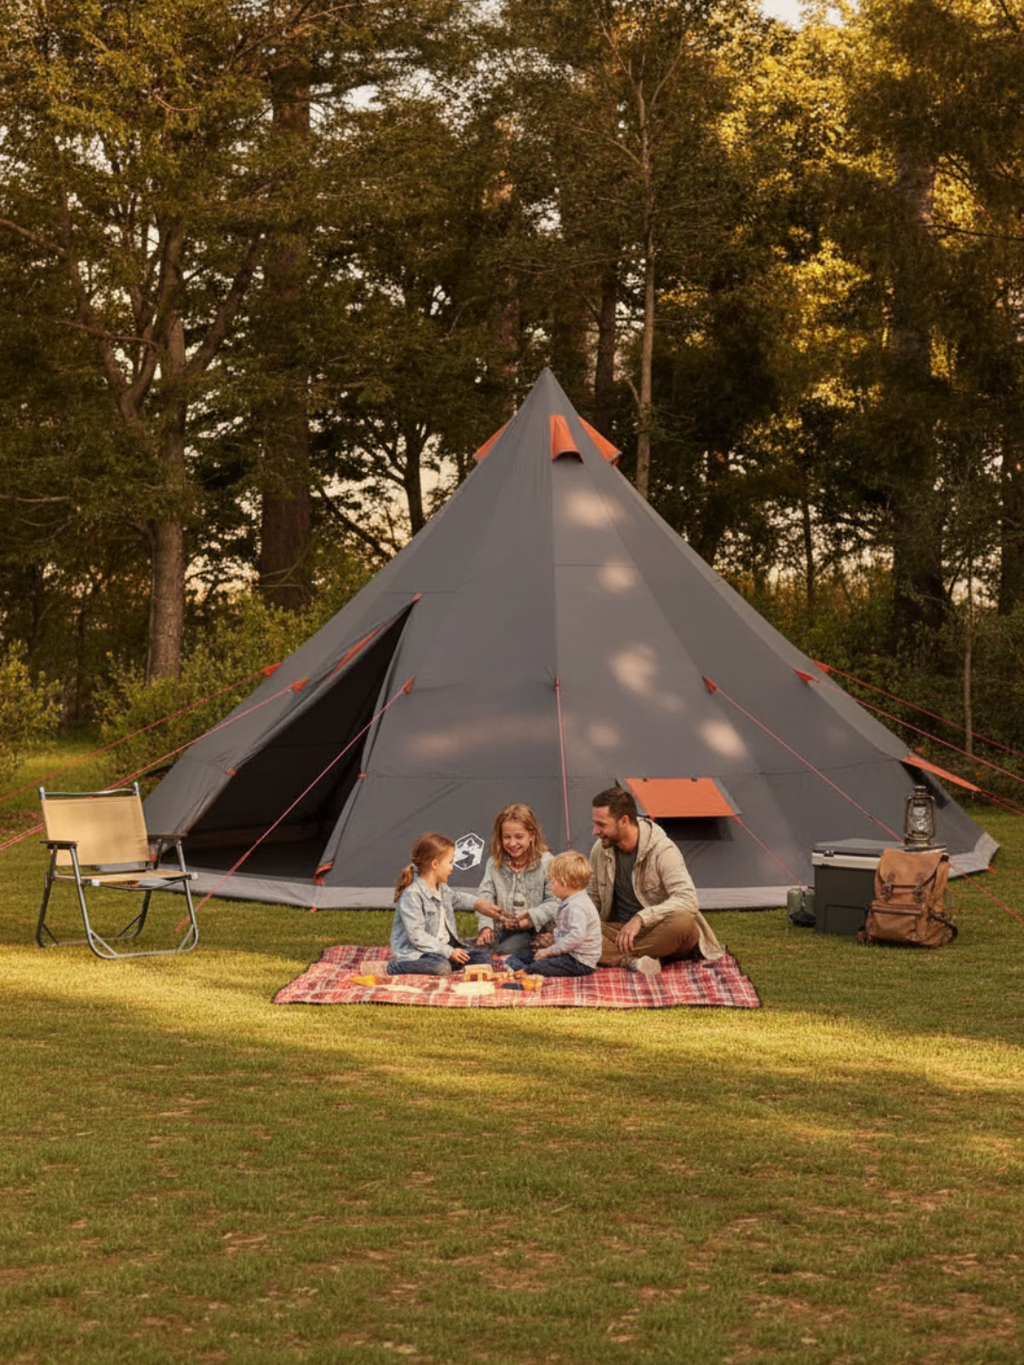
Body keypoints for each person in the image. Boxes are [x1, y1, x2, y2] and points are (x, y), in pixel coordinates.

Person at [588, 786, 724, 975]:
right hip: (619, 931)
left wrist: (641, 919)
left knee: (683, 923)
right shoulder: (600, 850)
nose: (595, 831)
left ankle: (610, 955)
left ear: (624, 821)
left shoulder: (662, 850)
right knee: (578, 928)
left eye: (601, 825)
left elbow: (687, 899)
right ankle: (634, 960)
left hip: (659, 929)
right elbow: (592, 897)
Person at [388, 832, 495, 976]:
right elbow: (417, 936)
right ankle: (396, 967)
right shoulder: (412, 895)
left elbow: (456, 898)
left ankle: (450, 963)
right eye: (450, 862)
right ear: (435, 864)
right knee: (441, 968)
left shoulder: (441, 887)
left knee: (484, 958)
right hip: (419, 954)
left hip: (442, 950)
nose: (452, 867)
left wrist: (478, 903)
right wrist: (449, 952)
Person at [473, 803, 559, 957]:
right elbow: (484, 896)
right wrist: (486, 926)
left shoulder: (547, 862)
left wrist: (531, 917)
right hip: (503, 929)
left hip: (537, 930)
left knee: (507, 951)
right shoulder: (494, 863)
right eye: (507, 837)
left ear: (531, 835)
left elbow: (555, 901)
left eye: (519, 837)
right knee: (475, 952)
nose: (512, 843)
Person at [505, 850, 602, 978]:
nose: (550, 885)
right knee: (524, 956)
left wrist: (550, 951)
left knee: (538, 966)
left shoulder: (577, 907)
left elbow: (576, 937)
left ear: (565, 882)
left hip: (579, 962)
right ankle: (517, 966)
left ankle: (524, 973)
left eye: (552, 881)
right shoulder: (571, 901)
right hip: (568, 954)